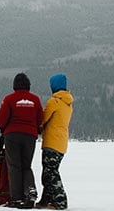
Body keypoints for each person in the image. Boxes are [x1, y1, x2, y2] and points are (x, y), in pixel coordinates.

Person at [0, 72, 44, 209]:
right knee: (26, 165)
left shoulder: (9, 99)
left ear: (14, 86)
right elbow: (40, 118)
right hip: (30, 136)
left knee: (14, 167)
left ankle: (17, 198)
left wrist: (2, 128)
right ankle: (29, 191)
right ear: (28, 85)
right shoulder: (35, 100)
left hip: (12, 136)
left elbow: (1, 119)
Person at [36, 74, 74, 210]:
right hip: (61, 143)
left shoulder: (54, 102)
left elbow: (43, 118)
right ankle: (45, 200)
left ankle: (60, 201)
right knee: (49, 172)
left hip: (52, 142)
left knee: (51, 172)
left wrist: (37, 127)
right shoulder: (67, 103)